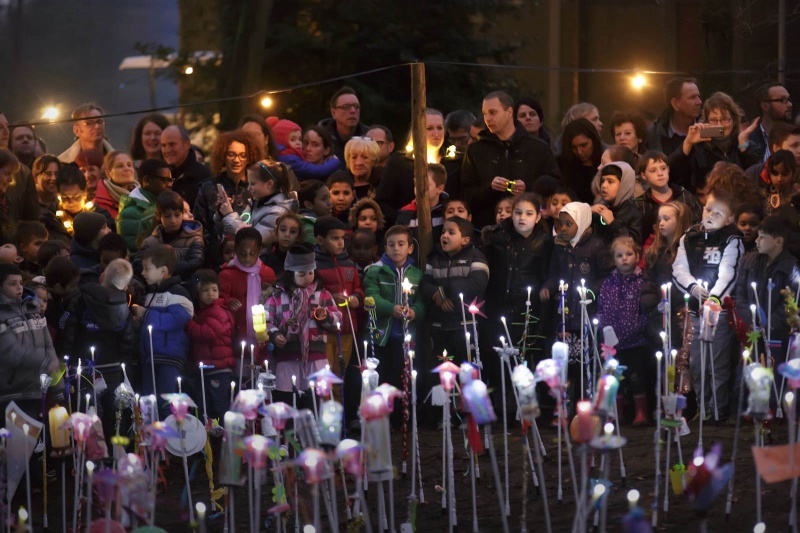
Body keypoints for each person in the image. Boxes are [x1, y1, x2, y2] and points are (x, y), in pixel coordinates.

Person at [672, 164, 759, 420]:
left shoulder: (732, 239)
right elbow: (679, 269)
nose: (709, 215)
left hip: (718, 313)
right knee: (697, 365)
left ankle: (718, 410)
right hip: (695, 312)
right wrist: (694, 289)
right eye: (708, 208)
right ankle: (703, 408)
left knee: (717, 364)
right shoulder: (690, 236)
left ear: (729, 218)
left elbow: (728, 272)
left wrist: (713, 299)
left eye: (717, 213)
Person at [60, 258, 138, 446]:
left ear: (102, 276)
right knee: (116, 413)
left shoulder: (80, 300)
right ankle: (117, 455)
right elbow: (128, 340)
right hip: (114, 369)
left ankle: (90, 458)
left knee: (89, 412)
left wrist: (64, 358)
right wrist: (127, 365)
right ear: (125, 285)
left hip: (84, 368)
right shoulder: (124, 307)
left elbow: (66, 329)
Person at [540, 202, 612, 406]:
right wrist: (548, 287)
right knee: (565, 365)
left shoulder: (596, 246)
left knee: (585, 363)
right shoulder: (559, 248)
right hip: (564, 315)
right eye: (560, 224)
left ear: (580, 222)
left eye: (568, 224)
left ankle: (585, 402)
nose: (563, 228)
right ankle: (563, 407)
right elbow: (554, 274)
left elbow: (606, 275)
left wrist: (591, 292)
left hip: (585, 315)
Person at [483, 193, 552, 387]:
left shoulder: (545, 242)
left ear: (538, 217)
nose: (522, 218)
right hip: (500, 305)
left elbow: (546, 274)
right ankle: (504, 406)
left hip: (529, 308)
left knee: (526, 357)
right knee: (501, 357)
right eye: (518, 212)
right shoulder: (498, 238)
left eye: (529, 213)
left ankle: (526, 408)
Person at [461, 91, 560, 227]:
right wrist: (490, 187)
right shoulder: (476, 150)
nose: (487, 118)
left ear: (509, 112)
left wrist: (528, 187)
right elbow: (466, 192)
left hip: (531, 229)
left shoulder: (537, 148)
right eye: (485, 113)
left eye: (493, 112)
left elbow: (555, 184)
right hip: (488, 228)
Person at [363, 224, 426, 425]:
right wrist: (392, 308)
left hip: (408, 337)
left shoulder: (417, 274)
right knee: (386, 376)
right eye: (391, 245)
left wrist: (415, 312)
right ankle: (385, 417)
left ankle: (404, 416)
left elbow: (422, 302)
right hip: (384, 336)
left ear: (410, 248)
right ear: (385, 247)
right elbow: (372, 296)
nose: (396, 249)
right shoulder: (375, 271)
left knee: (405, 375)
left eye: (401, 244)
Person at [265, 243, 342, 406]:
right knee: (287, 399)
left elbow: (337, 321)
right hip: (287, 356)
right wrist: (275, 334)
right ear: (290, 273)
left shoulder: (322, 295)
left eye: (310, 272)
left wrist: (324, 317)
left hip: (315, 356)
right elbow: (267, 319)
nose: (307, 277)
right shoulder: (278, 296)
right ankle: (290, 430)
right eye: (301, 273)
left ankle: (312, 428)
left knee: (314, 400)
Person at [132, 244, 193, 417]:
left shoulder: (178, 293)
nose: (142, 273)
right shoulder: (151, 294)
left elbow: (175, 320)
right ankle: (153, 440)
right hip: (149, 356)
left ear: (163, 270)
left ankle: (170, 441)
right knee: (149, 403)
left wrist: (146, 315)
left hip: (168, 357)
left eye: (147, 268)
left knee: (166, 402)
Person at [735, 214, 799, 376]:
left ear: (778, 241)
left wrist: (768, 325)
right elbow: (740, 295)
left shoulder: (791, 268)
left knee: (773, 380)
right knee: (745, 379)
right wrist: (751, 320)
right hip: (751, 334)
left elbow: (789, 303)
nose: (757, 241)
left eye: (762, 237)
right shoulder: (749, 262)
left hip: (777, 337)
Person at [419, 216, 489, 361]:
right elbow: (424, 284)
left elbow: (477, 283)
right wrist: (436, 296)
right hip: (439, 328)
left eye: (451, 232)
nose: (444, 235)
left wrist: (444, 292)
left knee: (468, 373)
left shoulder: (476, 256)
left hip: (466, 327)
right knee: (444, 375)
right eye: (443, 232)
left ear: (465, 240)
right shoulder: (435, 259)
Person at [375, 109, 462, 224]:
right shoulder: (400, 162)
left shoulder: (456, 161)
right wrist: (405, 220)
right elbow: (383, 202)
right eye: (429, 128)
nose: (436, 133)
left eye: (439, 128)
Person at [596, 236, 649, 425]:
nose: (624, 259)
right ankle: (616, 413)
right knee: (615, 379)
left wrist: (638, 327)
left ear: (636, 255)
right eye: (619, 255)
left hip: (635, 341)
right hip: (612, 344)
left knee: (636, 378)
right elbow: (601, 307)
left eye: (628, 254)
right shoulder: (608, 283)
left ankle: (641, 413)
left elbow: (645, 310)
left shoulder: (641, 281)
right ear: (613, 258)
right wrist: (603, 327)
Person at [194, 129, 265, 265]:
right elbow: (200, 227)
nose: (236, 160)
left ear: (249, 157)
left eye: (242, 155)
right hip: (215, 260)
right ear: (223, 156)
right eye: (231, 154)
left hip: (252, 258)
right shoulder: (208, 187)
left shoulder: (257, 188)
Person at [0, 263, 62, 418]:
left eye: (20, 283)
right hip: (10, 393)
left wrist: (57, 387)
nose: (19, 288)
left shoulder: (33, 310)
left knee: (34, 439)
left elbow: (49, 347)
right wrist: (45, 362)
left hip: (35, 390)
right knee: (14, 441)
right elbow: (10, 351)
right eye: (12, 284)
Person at [668, 91, 760, 193]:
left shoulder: (746, 144)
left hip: (739, 203)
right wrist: (688, 143)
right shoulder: (698, 147)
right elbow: (671, 175)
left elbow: (758, 177)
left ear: (733, 120)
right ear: (706, 121)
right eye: (714, 120)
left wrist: (743, 145)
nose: (719, 125)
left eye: (724, 119)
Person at [314, 216, 364, 391]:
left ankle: (339, 414)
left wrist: (356, 299)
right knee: (325, 375)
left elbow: (358, 287)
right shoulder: (315, 265)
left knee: (340, 374)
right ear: (320, 240)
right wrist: (330, 298)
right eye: (335, 238)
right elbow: (312, 294)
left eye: (342, 238)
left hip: (347, 328)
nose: (341, 243)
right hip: (325, 330)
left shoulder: (349, 263)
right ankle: (326, 413)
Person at [186, 269, 237, 420]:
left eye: (214, 290)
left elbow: (208, 333)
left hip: (218, 368)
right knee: (205, 406)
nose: (210, 294)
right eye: (205, 290)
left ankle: (224, 438)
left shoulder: (217, 310)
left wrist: (189, 323)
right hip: (207, 367)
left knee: (219, 405)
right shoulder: (202, 311)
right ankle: (211, 439)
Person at [219, 227, 276, 349]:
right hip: (237, 334)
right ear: (235, 250)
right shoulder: (227, 274)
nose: (247, 259)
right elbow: (218, 299)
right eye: (242, 254)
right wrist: (228, 301)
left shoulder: (267, 274)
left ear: (259, 251)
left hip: (264, 332)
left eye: (252, 253)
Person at [219, 160, 298, 249]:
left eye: (253, 184)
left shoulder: (277, 212)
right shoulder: (256, 202)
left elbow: (254, 240)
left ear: (269, 184)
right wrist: (222, 213)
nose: (248, 188)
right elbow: (236, 227)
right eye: (248, 183)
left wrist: (229, 215)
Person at [634, 150, 702, 243]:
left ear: (668, 170)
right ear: (643, 175)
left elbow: (699, 224)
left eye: (663, 168)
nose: (660, 173)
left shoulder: (685, 196)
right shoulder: (640, 204)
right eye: (653, 170)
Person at [140, 191, 205, 281]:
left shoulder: (194, 238)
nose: (173, 220)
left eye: (177, 215)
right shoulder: (151, 241)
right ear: (158, 216)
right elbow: (139, 264)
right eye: (167, 216)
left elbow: (195, 262)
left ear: (182, 214)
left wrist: (164, 268)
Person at [117, 159, 173, 252]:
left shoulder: (166, 203)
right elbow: (133, 253)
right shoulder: (129, 214)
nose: (170, 185)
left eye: (171, 180)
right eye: (165, 180)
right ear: (146, 180)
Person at [646, 77, 702, 160]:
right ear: (675, 103)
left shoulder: (707, 128)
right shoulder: (653, 134)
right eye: (692, 97)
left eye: (698, 97)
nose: (699, 102)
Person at [396, 162, 449, 250]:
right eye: (416, 184)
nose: (419, 188)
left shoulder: (447, 212)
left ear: (440, 188)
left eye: (425, 185)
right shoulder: (406, 213)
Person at [591, 161, 643, 245]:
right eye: (602, 181)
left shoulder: (634, 213)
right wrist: (587, 213)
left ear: (624, 184)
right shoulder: (598, 208)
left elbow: (633, 245)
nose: (604, 185)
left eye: (610, 181)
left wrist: (613, 224)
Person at [160, 125, 211, 208]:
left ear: (187, 144)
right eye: (163, 145)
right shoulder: (159, 176)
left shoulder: (204, 177)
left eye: (172, 144)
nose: (167, 150)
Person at [319, 86, 370, 164]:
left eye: (356, 107)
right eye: (346, 107)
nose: (353, 111)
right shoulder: (320, 139)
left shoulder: (369, 138)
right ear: (333, 113)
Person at [559, 118, 603, 204]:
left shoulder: (605, 163)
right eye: (574, 147)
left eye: (584, 145)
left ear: (593, 140)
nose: (579, 152)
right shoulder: (561, 165)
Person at [749, 83, 794, 161]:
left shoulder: (796, 135)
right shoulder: (749, 141)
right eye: (783, 100)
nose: (790, 104)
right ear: (765, 106)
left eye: (789, 99)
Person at [328, 136, 382, 201]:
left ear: (374, 160)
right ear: (348, 160)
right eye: (354, 157)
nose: (358, 163)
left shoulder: (383, 184)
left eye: (365, 157)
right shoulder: (338, 182)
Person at [94, 151, 137, 219]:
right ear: (108, 173)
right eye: (120, 166)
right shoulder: (98, 205)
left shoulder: (143, 196)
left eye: (129, 165)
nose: (127, 169)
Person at [261, 212, 306, 276]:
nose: (287, 235)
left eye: (292, 232)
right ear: (276, 232)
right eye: (283, 230)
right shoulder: (265, 256)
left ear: (298, 236)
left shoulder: (303, 260)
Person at [760, 149, 798, 215]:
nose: (779, 179)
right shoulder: (762, 195)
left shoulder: (797, 197)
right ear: (769, 173)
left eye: (785, 174)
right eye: (775, 173)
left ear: (793, 173)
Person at [298, 180, 332, 244]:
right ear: (308, 205)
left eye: (329, 197)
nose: (330, 203)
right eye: (324, 199)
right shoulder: (310, 230)